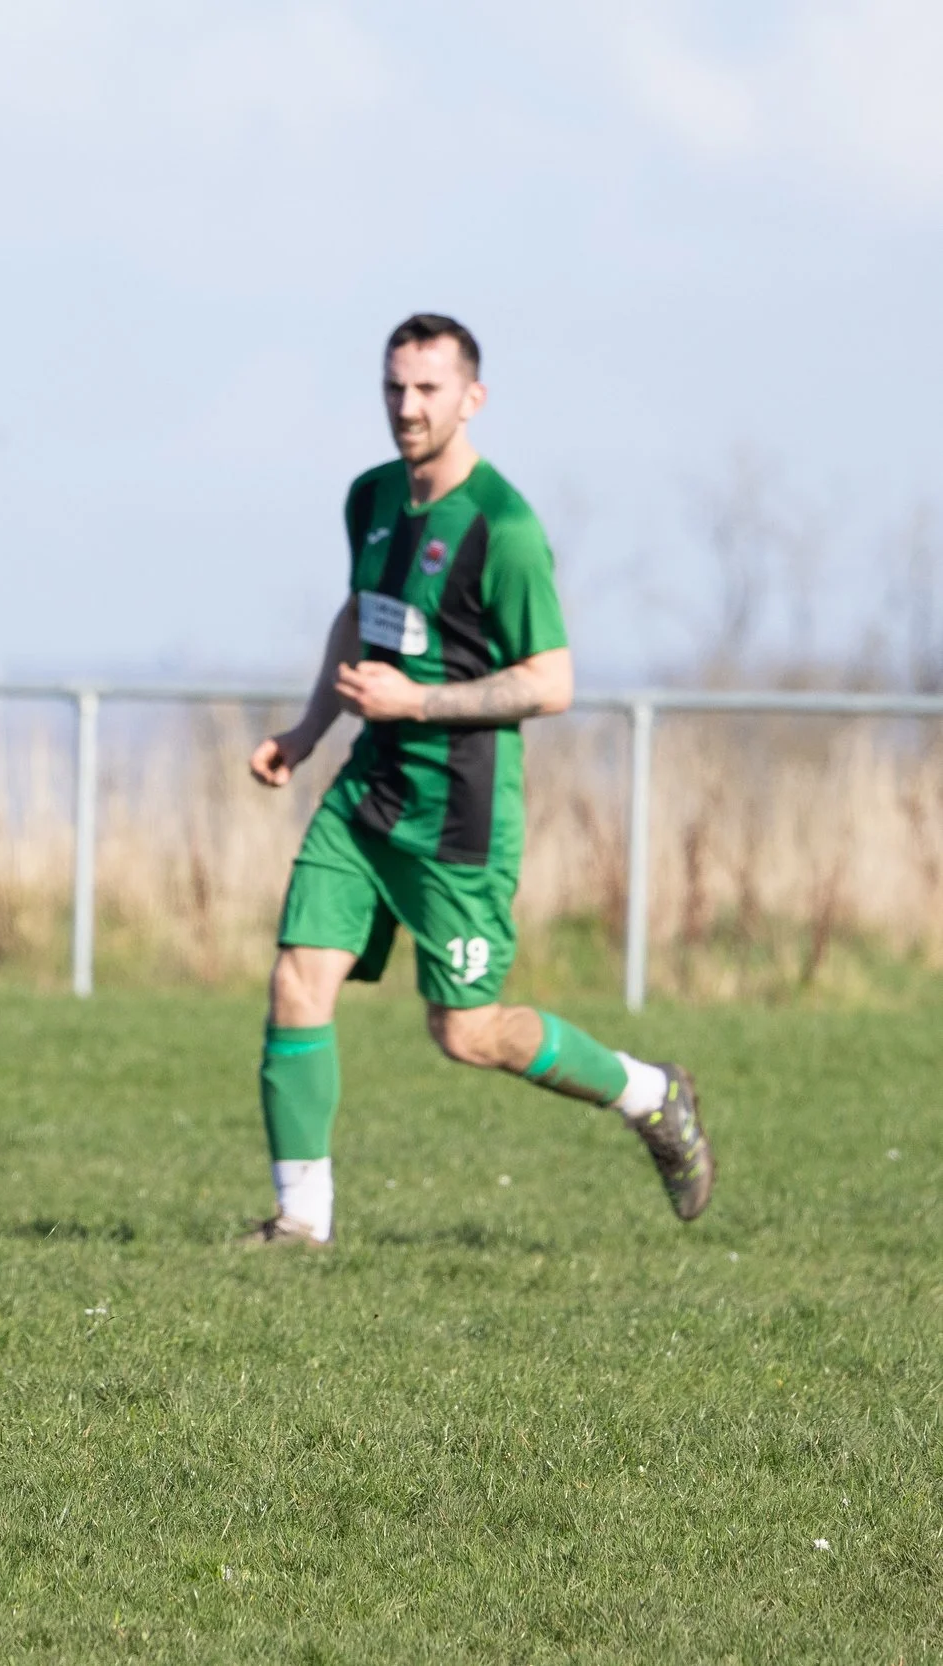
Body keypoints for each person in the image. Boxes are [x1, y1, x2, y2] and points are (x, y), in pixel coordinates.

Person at [243, 313, 710, 1248]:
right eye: (394, 387)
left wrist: (416, 704)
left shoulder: (506, 528)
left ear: (472, 397)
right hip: (364, 795)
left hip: (459, 815)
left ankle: (650, 1094)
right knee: (298, 982)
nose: (407, 407)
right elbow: (359, 612)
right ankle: (302, 1222)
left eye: (427, 390)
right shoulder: (370, 498)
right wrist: (307, 730)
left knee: (467, 1032)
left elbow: (552, 683)